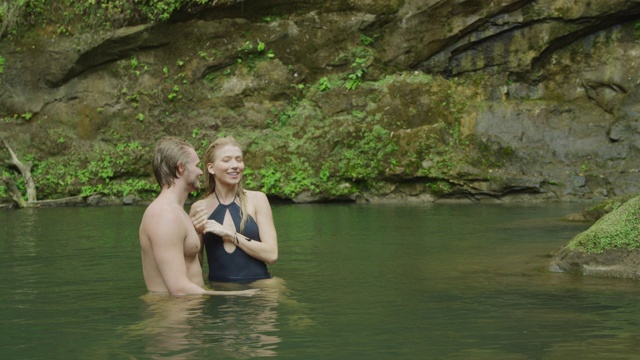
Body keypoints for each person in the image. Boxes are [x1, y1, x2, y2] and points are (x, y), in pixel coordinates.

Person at [139, 136, 257, 296]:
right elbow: (178, 288)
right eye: (195, 165)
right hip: (172, 315)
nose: (201, 172)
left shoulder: (177, 212)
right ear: (181, 168)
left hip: (188, 312)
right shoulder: (164, 215)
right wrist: (237, 295)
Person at [190, 136, 278, 284]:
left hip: (259, 289)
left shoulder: (258, 200)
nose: (235, 165)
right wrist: (194, 234)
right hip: (219, 290)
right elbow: (196, 264)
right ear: (211, 167)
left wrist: (231, 234)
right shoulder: (199, 207)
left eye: (239, 159)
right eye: (227, 160)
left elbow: (272, 255)